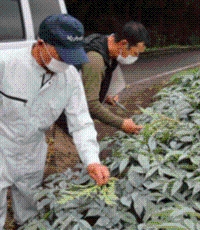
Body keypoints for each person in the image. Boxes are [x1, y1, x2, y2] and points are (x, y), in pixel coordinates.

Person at [0, 14, 110, 228]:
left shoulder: (70, 78)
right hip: (1, 145)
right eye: (61, 54)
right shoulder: (6, 64)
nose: (66, 62)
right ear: (41, 43)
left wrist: (92, 160)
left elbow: (81, 121)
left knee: (30, 208)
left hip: (32, 152)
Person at [81, 20, 150, 134]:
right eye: (135, 53)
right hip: (63, 120)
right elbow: (90, 104)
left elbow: (86, 85)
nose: (135, 57)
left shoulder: (108, 50)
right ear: (123, 43)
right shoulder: (95, 60)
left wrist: (105, 95)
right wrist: (121, 123)